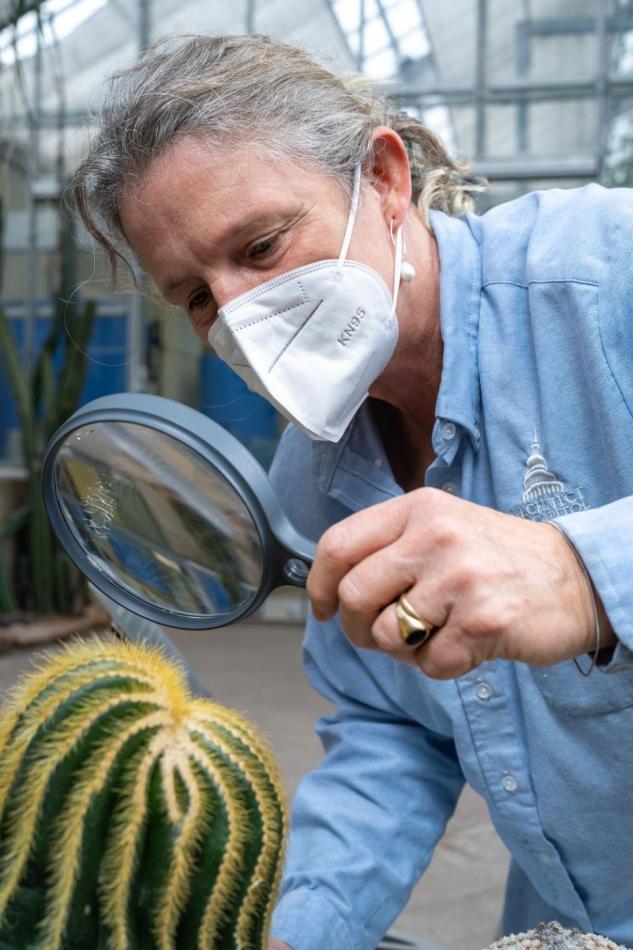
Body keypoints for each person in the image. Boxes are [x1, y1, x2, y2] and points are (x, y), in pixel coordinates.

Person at [71, 33, 633, 950]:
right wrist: (302, 931)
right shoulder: (314, 482)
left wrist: (585, 575)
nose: (242, 312)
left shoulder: (605, 276)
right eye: (197, 297)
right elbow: (394, 733)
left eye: (259, 244)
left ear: (382, 178)